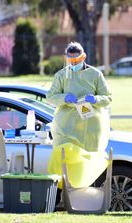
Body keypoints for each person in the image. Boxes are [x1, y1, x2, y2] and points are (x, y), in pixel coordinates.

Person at [46, 42, 112, 188]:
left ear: (84, 57)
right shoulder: (62, 75)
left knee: (88, 162)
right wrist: (64, 98)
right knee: (67, 162)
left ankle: (88, 193)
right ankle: (66, 194)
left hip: (91, 128)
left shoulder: (95, 75)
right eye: (71, 61)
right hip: (67, 128)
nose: (74, 64)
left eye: (77, 60)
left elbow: (107, 98)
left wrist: (95, 99)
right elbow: (50, 97)